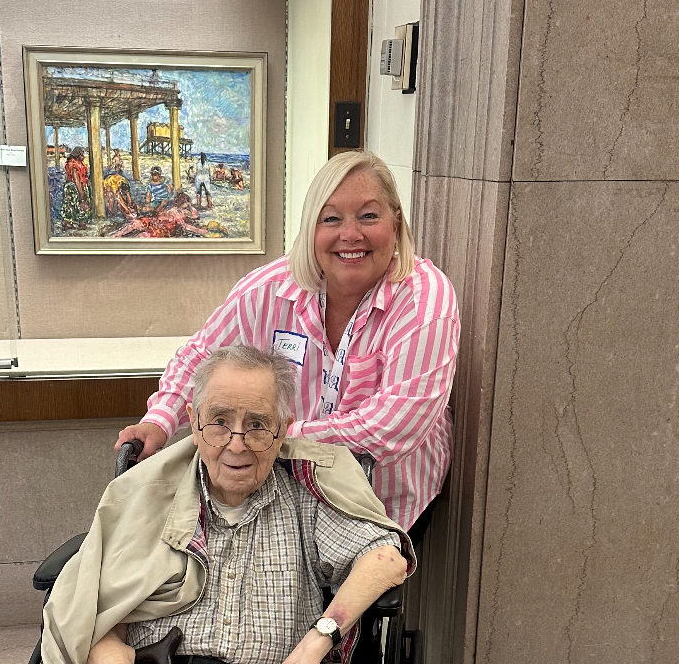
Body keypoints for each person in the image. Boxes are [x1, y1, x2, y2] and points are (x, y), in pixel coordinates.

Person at [42, 345, 412, 664]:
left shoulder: (307, 495)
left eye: (257, 424)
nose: (237, 443)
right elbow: (97, 625)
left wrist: (312, 648)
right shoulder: (147, 495)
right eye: (219, 421)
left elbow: (386, 558)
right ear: (193, 423)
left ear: (283, 429)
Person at [115, 150, 460, 532]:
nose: (350, 234)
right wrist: (160, 421)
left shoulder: (426, 300)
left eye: (369, 216)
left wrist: (274, 436)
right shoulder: (271, 289)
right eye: (331, 218)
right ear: (311, 227)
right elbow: (200, 359)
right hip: (284, 485)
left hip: (380, 501)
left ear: (395, 223)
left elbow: (394, 425)